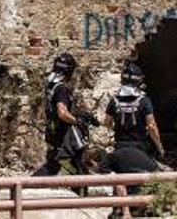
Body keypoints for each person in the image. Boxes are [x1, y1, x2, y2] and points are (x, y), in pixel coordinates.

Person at [99, 62, 166, 218]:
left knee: (121, 179)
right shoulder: (144, 101)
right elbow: (152, 126)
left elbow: (107, 123)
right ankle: (139, 210)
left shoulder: (114, 101)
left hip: (120, 147)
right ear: (139, 81)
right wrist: (160, 147)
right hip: (139, 148)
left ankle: (120, 211)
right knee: (143, 177)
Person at [34, 52, 93, 179]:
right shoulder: (62, 88)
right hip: (62, 135)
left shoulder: (52, 86)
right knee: (61, 165)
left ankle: (28, 187)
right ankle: (27, 187)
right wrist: (76, 121)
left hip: (53, 131)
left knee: (62, 164)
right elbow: (62, 112)